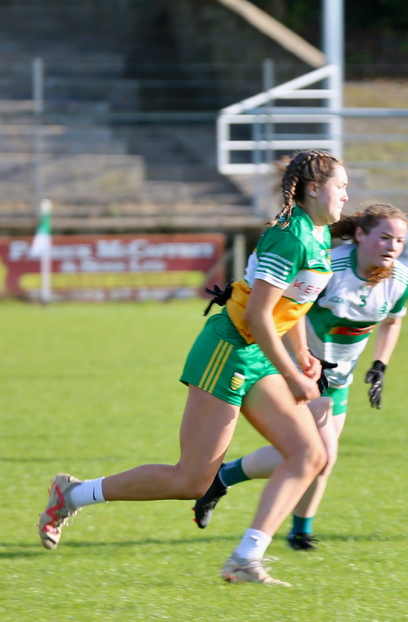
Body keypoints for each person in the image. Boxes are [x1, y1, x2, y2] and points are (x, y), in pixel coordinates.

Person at [38, 150, 350, 586]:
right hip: (227, 351)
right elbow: (259, 316)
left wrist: (299, 353)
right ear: (314, 188)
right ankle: (73, 493)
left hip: (256, 355)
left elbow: (287, 307)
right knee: (191, 479)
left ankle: (246, 558)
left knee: (310, 454)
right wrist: (295, 376)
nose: (346, 195)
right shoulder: (292, 236)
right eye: (341, 186)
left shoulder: (317, 235)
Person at [190, 203, 408, 551]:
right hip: (306, 373)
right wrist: (302, 363)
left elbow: (393, 321)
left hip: (341, 380)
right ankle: (298, 533)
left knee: (314, 457)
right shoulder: (332, 268)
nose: (392, 247)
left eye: (399, 240)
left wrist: (380, 364)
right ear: (359, 235)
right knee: (320, 454)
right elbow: (289, 311)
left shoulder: (399, 278)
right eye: (384, 237)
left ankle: (224, 479)